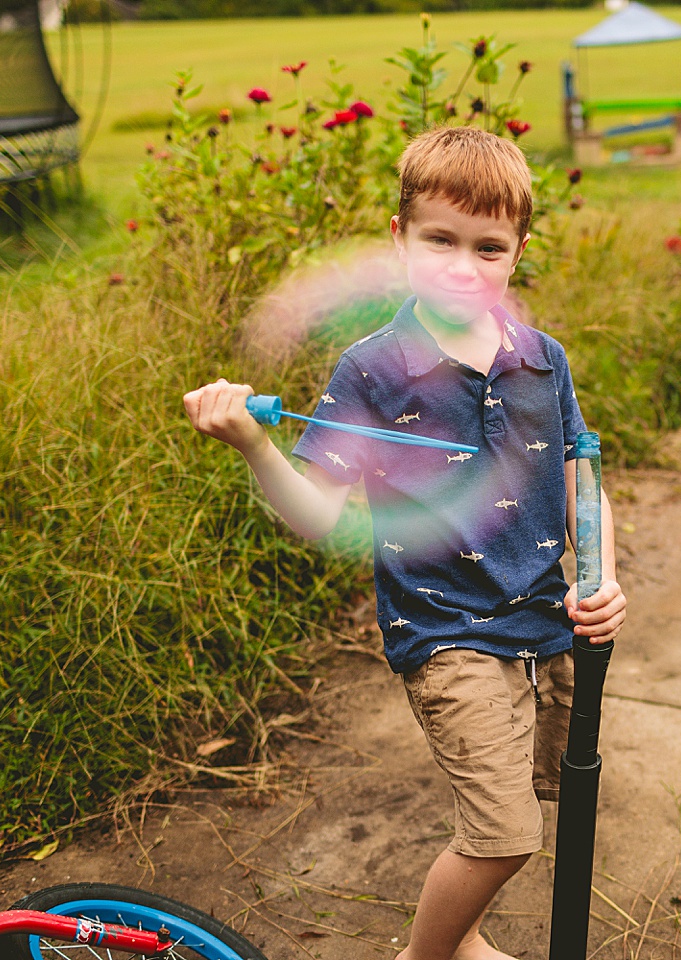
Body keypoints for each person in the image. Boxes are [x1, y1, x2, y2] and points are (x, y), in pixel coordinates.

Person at [182, 125, 626, 960]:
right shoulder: (373, 371)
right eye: (440, 240)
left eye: (489, 247)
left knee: (536, 787)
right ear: (399, 240)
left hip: (544, 617)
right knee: (503, 836)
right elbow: (318, 512)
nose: (465, 265)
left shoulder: (542, 360)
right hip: (446, 628)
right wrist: (252, 442)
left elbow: (581, 473)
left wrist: (604, 576)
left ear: (518, 253)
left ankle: (463, 941)